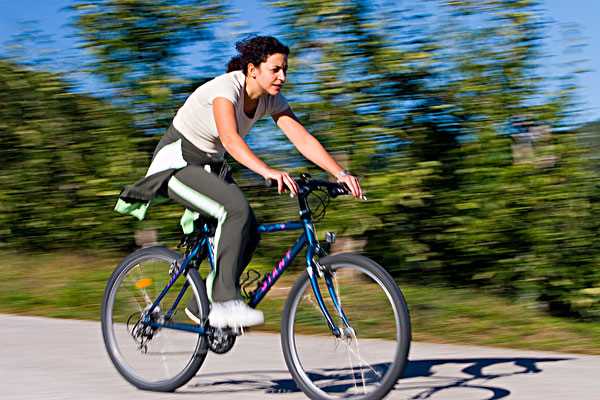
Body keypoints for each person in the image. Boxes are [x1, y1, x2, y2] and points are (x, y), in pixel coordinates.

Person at [114, 35, 363, 329]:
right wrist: (267, 171)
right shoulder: (225, 88)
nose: (282, 76)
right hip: (177, 163)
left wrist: (340, 173)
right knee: (236, 210)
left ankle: (204, 300)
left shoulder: (271, 99)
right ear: (252, 69)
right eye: (275, 69)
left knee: (249, 231)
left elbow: (302, 138)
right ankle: (223, 302)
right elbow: (230, 140)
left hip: (209, 167)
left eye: (285, 70)